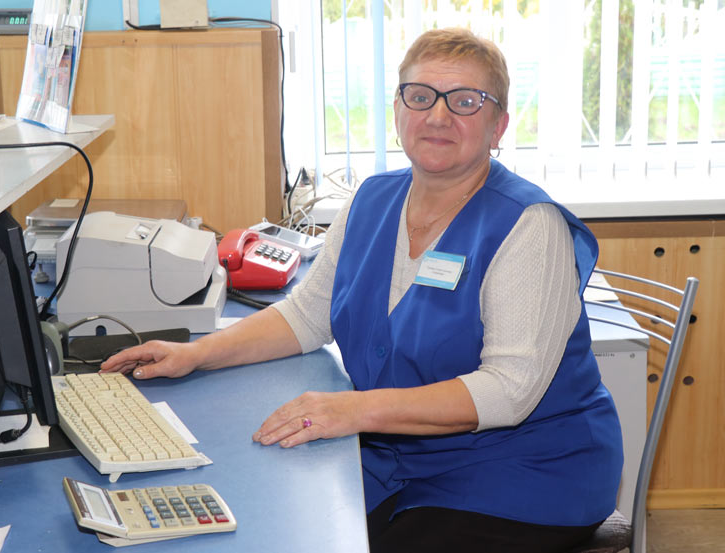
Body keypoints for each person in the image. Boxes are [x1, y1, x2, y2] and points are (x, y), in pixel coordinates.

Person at [101, 27, 623, 553]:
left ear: (498, 126)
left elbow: (508, 392)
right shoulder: (372, 200)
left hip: (526, 474)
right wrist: (195, 354)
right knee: (285, 530)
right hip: (400, 459)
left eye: (466, 101)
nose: (438, 116)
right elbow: (307, 315)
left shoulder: (528, 226)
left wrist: (352, 410)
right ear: (398, 110)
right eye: (420, 96)